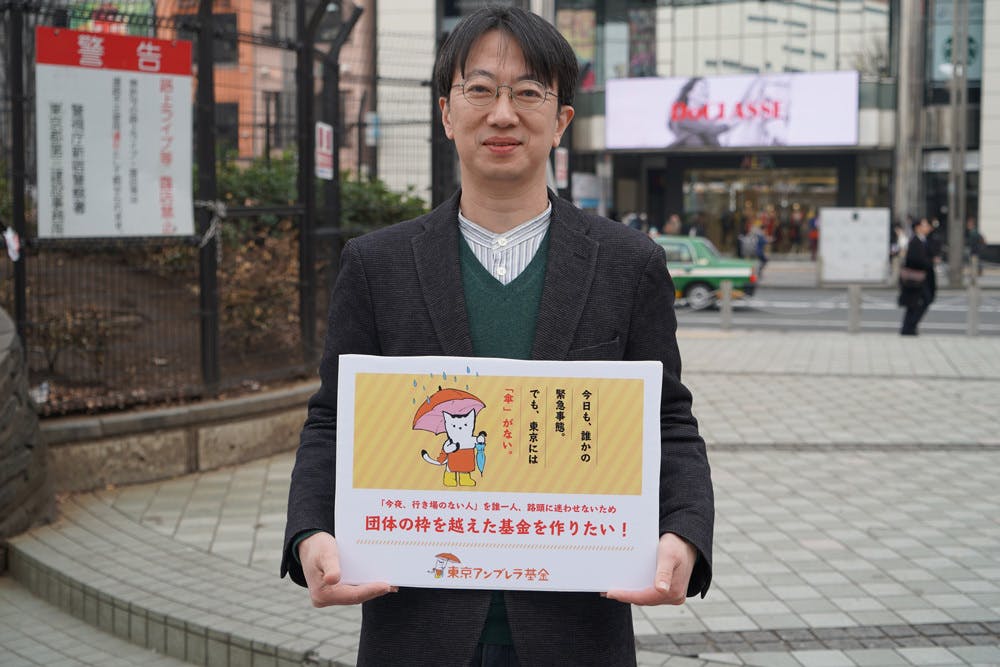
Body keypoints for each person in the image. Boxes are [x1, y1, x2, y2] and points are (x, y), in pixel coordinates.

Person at [281, 7, 714, 666]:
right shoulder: (377, 264)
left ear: (561, 119)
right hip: (417, 624)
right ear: (446, 112)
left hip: (576, 628)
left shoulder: (628, 264)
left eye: (528, 92)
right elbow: (333, 418)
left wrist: (683, 530)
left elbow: (668, 419)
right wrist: (310, 531)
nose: (503, 114)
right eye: (480, 90)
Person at [899, 217, 937, 336]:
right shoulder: (915, 241)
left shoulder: (925, 240)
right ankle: (909, 327)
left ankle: (909, 328)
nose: (928, 227)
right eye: (925, 225)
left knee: (915, 303)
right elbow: (914, 259)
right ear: (917, 228)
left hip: (923, 278)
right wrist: (929, 262)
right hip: (917, 278)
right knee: (921, 301)